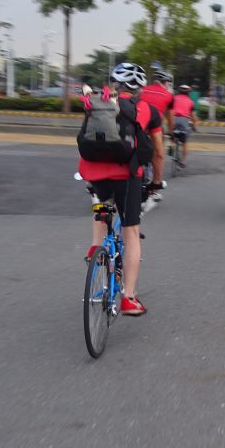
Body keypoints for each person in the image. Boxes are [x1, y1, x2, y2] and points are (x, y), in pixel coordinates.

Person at [79, 62, 161, 317]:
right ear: (140, 87)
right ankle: (128, 298)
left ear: (113, 82)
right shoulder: (148, 109)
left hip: (92, 172)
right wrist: (156, 183)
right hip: (126, 175)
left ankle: (95, 248)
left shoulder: (96, 100)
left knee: (102, 205)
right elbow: (157, 152)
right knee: (131, 232)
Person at [140, 67, 174, 192]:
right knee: (159, 153)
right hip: (154, 126)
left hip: (137, 124)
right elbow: (170, 118)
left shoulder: (141, 90)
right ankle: (156, 182)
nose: (169, 86)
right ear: (165, 82)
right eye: (169, 83)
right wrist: (171, 133)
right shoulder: (169, 95)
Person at [172, 84, 197, 165]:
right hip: (184, 121)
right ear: (188, 93)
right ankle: (183, 161)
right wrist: (194, 125)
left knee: (172, 136)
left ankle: (171, 149)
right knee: (185, 142)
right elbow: (193, 116)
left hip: (174, 120)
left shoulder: (174, 99)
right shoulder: (190, 102)